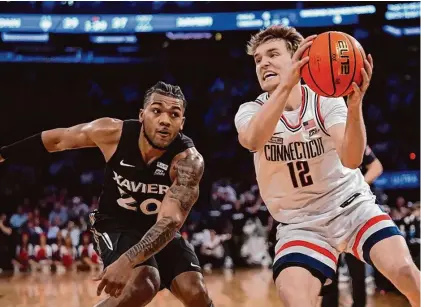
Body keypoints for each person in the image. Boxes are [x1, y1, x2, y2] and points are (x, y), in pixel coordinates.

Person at [234, 25, 420, 307]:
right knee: (295, 299)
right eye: (258, 59)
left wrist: (354, 105)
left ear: (299, 59)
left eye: (273, 54)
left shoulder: (324, 101)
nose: (263, 63)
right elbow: (252, 140)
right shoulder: (250, 110)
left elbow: (352, 159)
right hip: (299, 224)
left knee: (406, 272)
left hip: (351, 207)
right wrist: (285, 86)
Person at [0, 81, 213, 307]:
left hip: (158, 229)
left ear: (182, 123)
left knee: (195, 292)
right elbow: (58, 139)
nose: (164, 120)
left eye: (174, 114)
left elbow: (170, 222)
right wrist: (3, 154)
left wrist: (127, 260)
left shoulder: (188, 162)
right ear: (142, 115)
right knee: (144, 284)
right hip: (115, 223)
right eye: (157, 110)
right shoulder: (112, 133)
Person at [321, 145, 384, 307]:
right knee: (329, 271)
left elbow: (377, 166)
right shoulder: (320, 142)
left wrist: (356, 185)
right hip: (328, 213)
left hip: (353, 213)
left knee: (357, 273)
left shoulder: (353, 140)